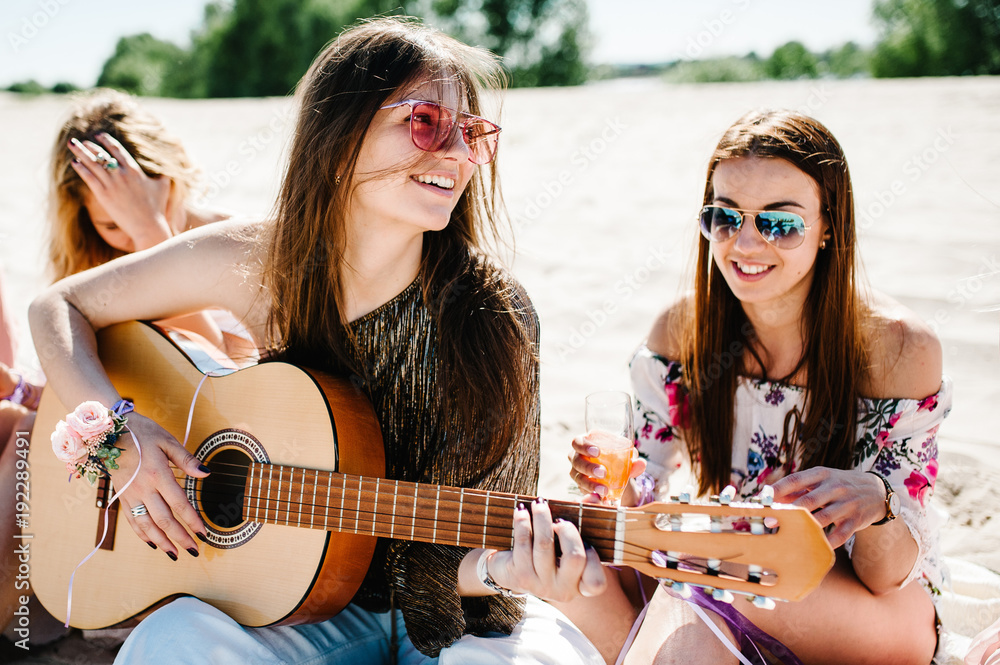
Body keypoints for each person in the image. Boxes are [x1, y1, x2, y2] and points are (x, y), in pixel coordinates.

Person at [30, 17, 606, 664]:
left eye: (471, 133)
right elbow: (59, 305)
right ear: (340, 134)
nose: (456, 153)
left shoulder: (494, 314)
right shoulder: (260, 261)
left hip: (452, 613)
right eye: (425, 123)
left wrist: (512, 567)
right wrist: (120, 434)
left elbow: (481, 553)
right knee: (171, 642)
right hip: (296, 606)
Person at [566, 109, 950, 665]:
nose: (744, 244)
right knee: (608, 575)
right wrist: (610, 483)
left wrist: (879, 503)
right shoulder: (681, 333)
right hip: (728, 569)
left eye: (780, 223)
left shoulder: (897, 349)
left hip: (872, 604)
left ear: (828, 229)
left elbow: (885, 576)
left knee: (699, 579)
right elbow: (635, 503)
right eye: (725, 218)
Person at [50, 87, 252, 363]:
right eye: (111, 226)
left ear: (173, 178)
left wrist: (152, 234)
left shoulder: (241, 245)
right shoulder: (94, 259)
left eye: (149, 210)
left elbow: (235, 363)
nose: (131, 240)